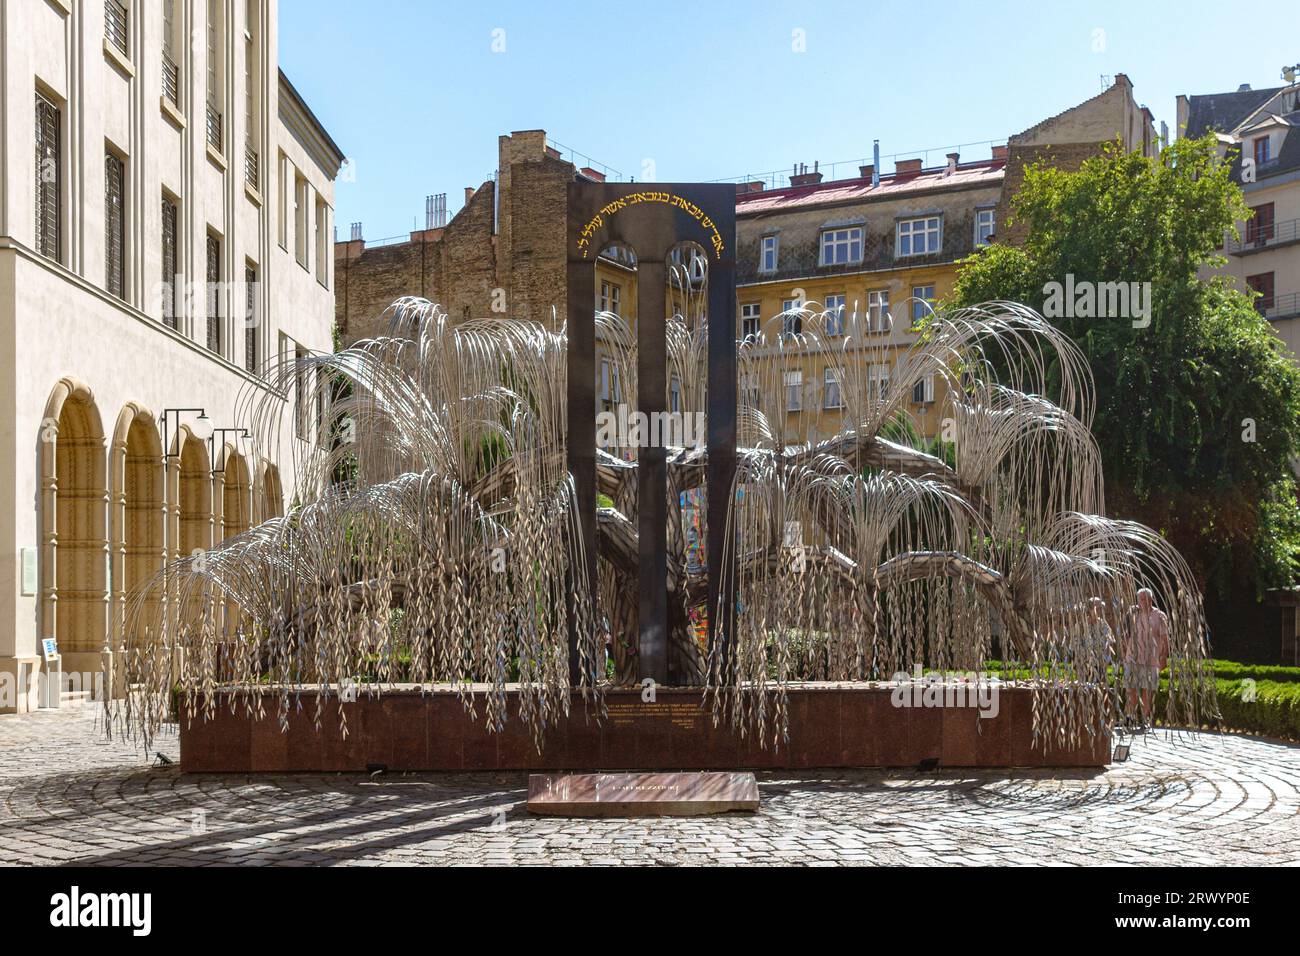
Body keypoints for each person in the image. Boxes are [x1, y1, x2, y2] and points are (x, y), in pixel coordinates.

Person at [1124, 588, 1169, 729]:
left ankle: (1145, 718)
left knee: (1147, 690)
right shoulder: (1133, 614)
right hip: (1133, 657)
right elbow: (1126, 633)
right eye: (1140, 599)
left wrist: (1164, 657)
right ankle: (1129, 717)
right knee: (1131, 688)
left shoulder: (1160, 616)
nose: (1143, 602)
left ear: (1152, 599)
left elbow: (1165, 638)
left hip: (1151, 659)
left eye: (1145, 599)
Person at [1082, 597, 1114, 685]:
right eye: (1099, 608)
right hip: (1086, 661)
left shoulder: (1103, 623)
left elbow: (1110, 640)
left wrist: (1107, 658)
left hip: (1100, 661)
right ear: (1091, 609)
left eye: (1101, 608)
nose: (1101, 611)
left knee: (1100, 685)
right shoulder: (1083, 624)